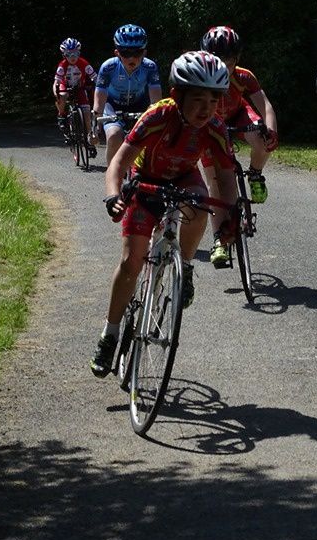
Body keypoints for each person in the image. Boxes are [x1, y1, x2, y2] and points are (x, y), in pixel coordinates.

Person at [90, 51, 239, 377]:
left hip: (185, 180)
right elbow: (119, 162)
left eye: (213, 102)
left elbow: (226, 179)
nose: (206, 109)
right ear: (177, 95)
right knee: (132, 262)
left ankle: (183, 267)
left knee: (200, 204)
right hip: (146, 182)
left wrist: (230, 217)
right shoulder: (157, 116)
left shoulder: (214, 127)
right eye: (198, 100)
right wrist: (113, 194)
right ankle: (109, 335)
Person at [199, 25, 278, 268]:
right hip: (210, 123)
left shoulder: (243, 76)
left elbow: (264, 105)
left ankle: (255, 174)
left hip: (236, 115)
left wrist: (271, 129)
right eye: (217, 60)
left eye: (229, 61)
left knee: (260, 139)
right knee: (214, 182)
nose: (224, 66)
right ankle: (219, 240)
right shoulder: (198, 76)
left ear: (237, 58)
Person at [92, 24, 163, 168]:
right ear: (117, 52)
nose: (132, 58)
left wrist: (158, 119)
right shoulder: (108, 67)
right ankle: (112, 181)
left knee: (151, 139)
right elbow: (100, 98)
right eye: (126, 53)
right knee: (114, 135)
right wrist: (94, 127)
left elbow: (156, 100)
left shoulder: (150, 67)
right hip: (113, 106)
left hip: (140, 105)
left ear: (144, 52)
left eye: (137, 53)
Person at [53, 38, 98, 156]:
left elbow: (95, 77)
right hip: (65, 85)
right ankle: (61, 116)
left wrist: (99, 85)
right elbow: (56, 82)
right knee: (62, 95)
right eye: (69, 54)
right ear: (64, 55)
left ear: (79, 53)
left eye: (75, 54)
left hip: (79, 87)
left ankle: (89, 141)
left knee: (87, 112)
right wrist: (56, 93)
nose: (72, 57)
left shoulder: (84, 63)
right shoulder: (62, 65)